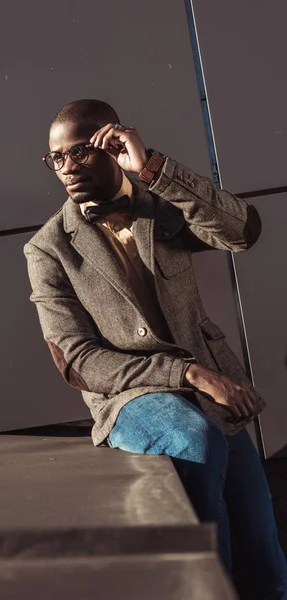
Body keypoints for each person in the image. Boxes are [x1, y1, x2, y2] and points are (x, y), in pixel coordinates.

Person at [23, 99, 287, 599]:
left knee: (265, 562)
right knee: (191, 439)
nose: (67, 167)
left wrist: (152, 168)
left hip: (211, 388)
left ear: (112, 143)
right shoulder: (47, 248)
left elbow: (242, 231)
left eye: (80, 151)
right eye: (56, 158)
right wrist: (188, 374)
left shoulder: (160, 206)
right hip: (129, 396)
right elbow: (78, 362)